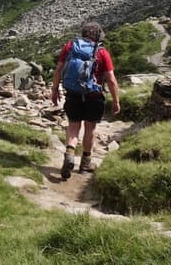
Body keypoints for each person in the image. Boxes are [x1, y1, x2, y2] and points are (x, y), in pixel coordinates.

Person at [50, 21, 121, 179]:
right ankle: (85, 163)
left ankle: (69, 153)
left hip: (73, 94)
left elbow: (59, 70)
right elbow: (111, 79)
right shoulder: (102, 52)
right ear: (98, 35)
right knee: (90, 129)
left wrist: (55, 90)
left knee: (73, 127)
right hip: (94, 96)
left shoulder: (70, 46)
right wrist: (116, 100)